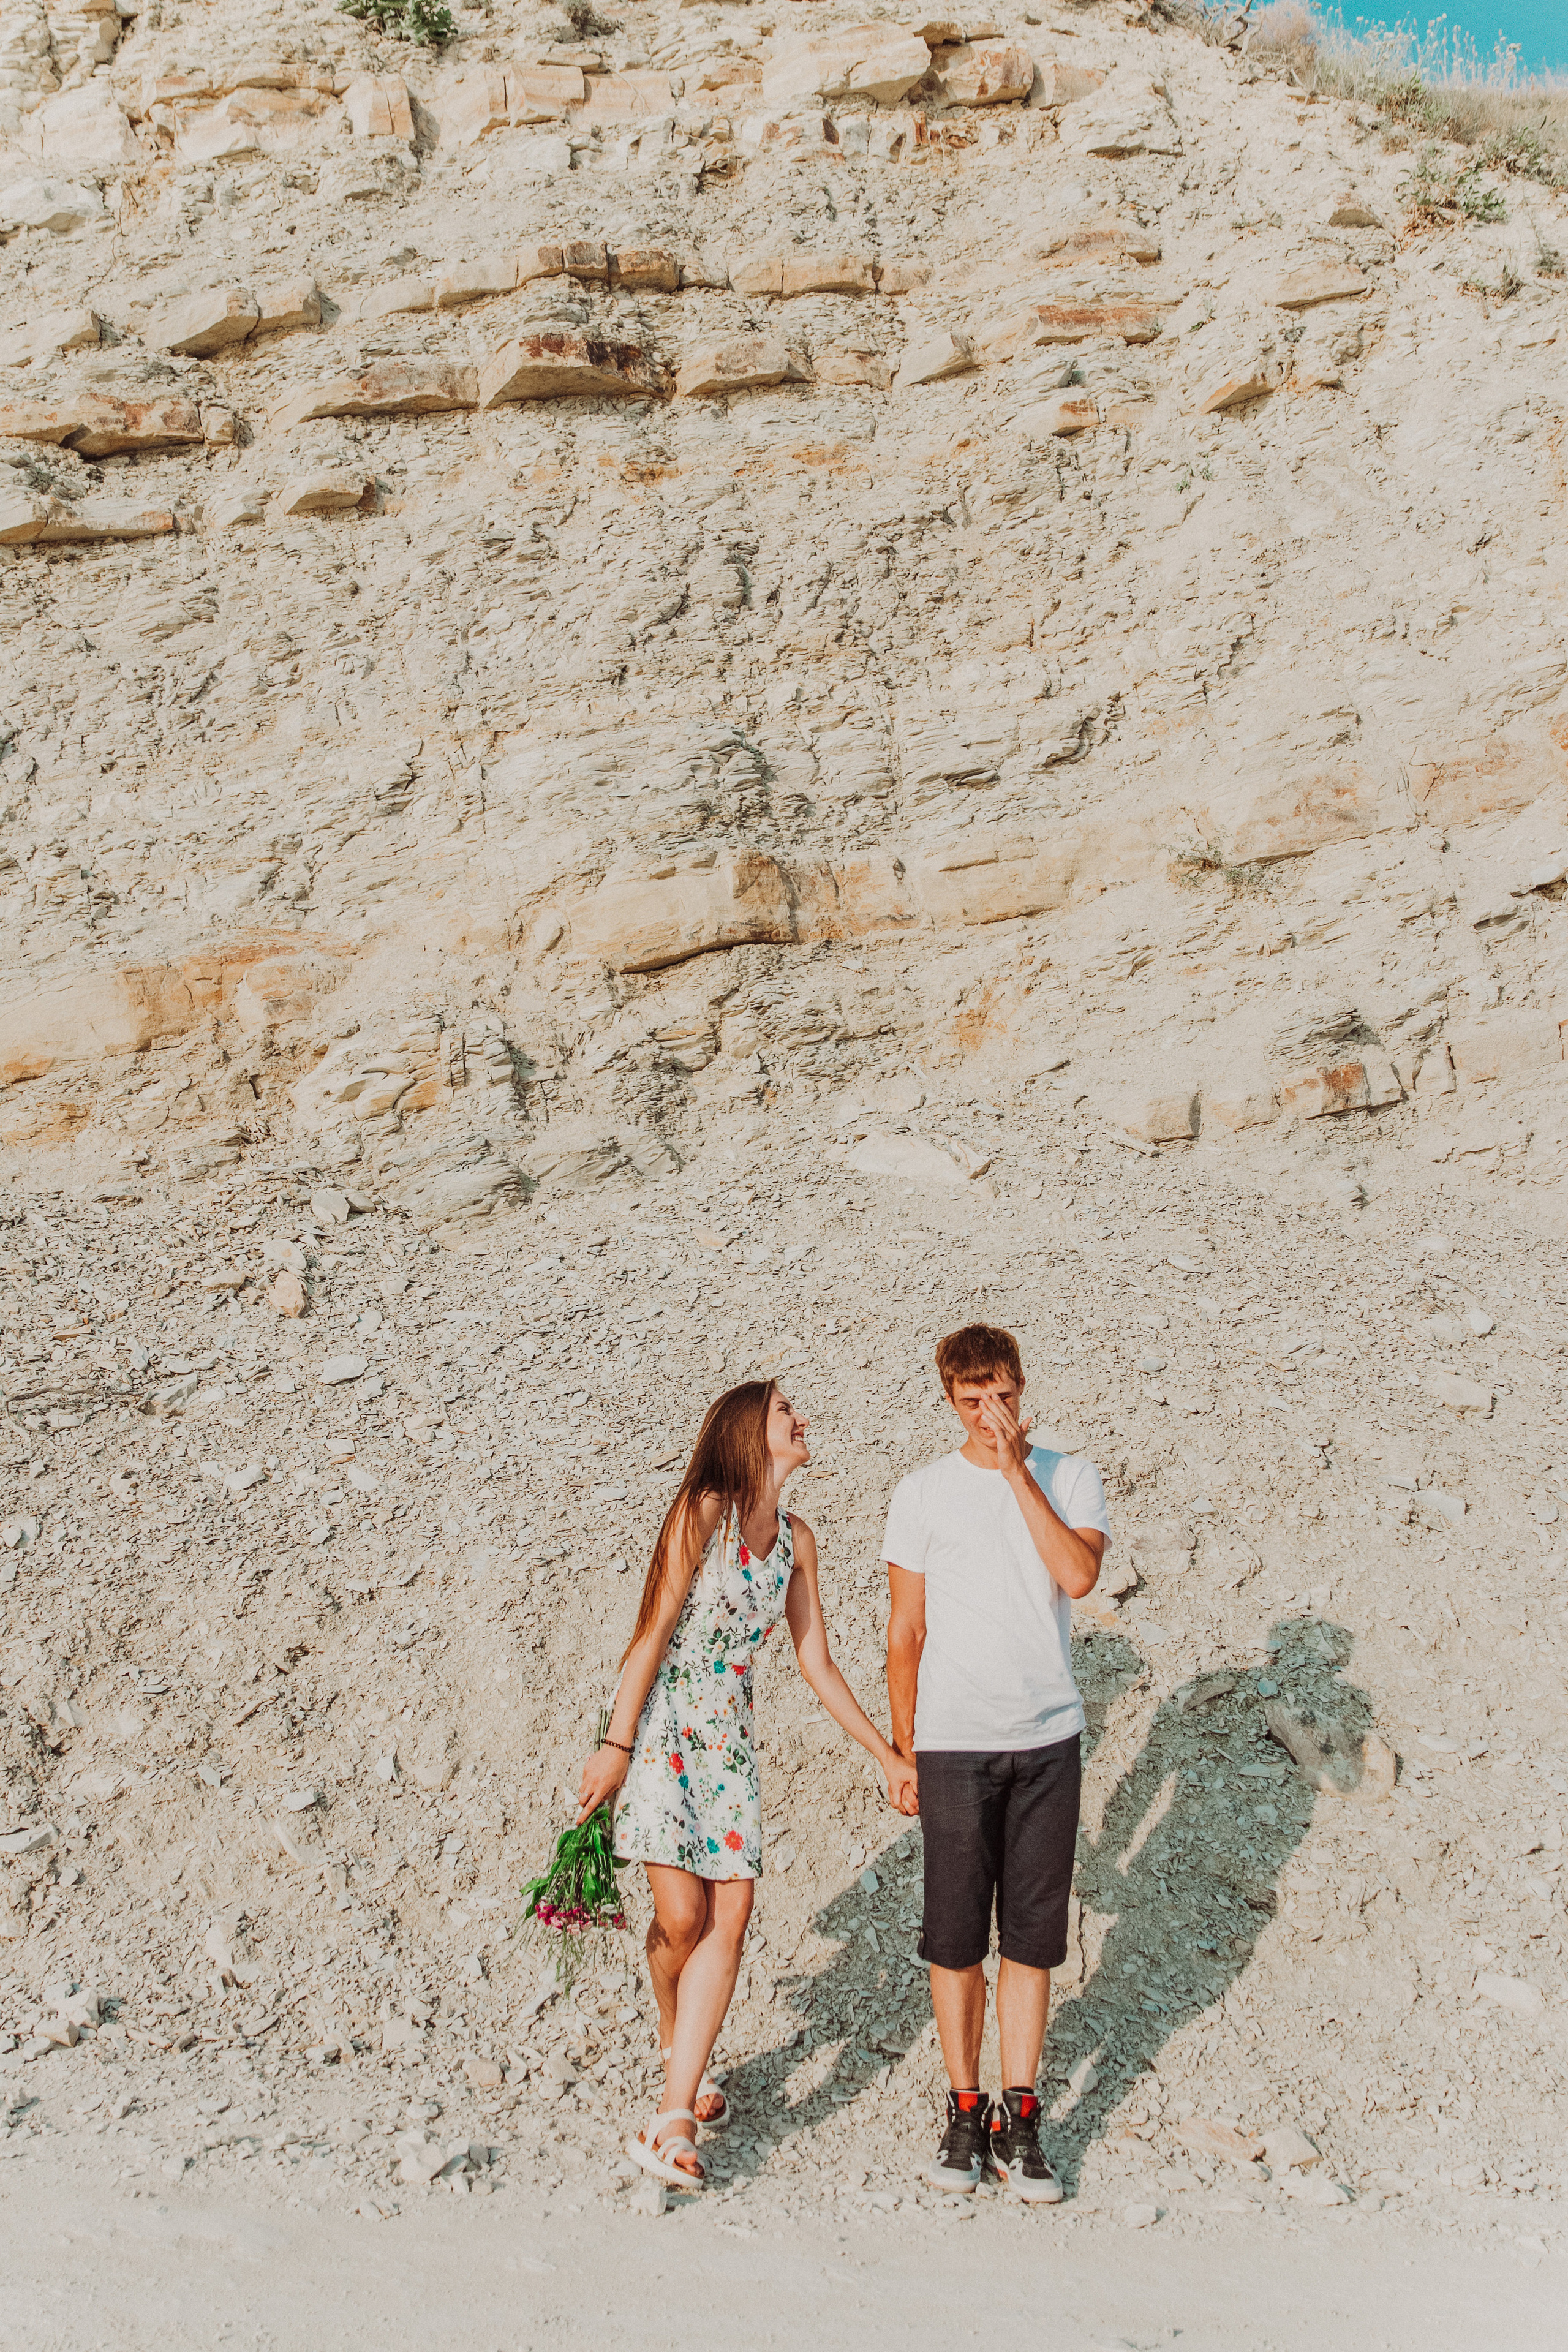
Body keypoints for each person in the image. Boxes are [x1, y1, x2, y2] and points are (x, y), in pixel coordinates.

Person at [576, 1378, 919, 2192]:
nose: (803, 1419)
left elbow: (817, 1662)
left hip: (729, 1740)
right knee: (682, 1918)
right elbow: (654, 1630)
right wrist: (614, 1746)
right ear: (745, 1431)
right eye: (784, 1412)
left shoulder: (798, 1539)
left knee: (730, 1913)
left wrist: (885, 1754)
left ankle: (673, 2119)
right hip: (665, 1728)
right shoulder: (703, 1508)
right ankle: (677, 2046)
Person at [884, 1322, 1109, 2204]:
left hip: (1047, 1734)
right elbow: (906, 1630)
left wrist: (1019, 1473)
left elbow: (1079, 1579)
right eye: (973, 1401)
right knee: (953, 1936)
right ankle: (965, 2107)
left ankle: (1023, 2113)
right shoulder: (923, 1493)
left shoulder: (1068, 1474)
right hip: (952, 1739)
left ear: (1023, 1388)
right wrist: (903, 1749)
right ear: (950, 1400)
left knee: (1031, 1936)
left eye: (1004, 1397)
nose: (992, 1415)